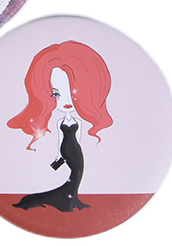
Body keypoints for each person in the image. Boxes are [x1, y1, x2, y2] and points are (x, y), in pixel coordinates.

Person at [6, 41, 112, 213]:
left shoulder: (79, 122)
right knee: (74, 177)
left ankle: (71, 199)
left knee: (76, 175)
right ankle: (67, 201)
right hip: (66, 151)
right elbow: (60, 139)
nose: (66, 101)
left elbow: (78, 139)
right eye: (56, 94)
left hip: (76, 152)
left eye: (73, 91)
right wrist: (59, 157)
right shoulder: (58, 122)